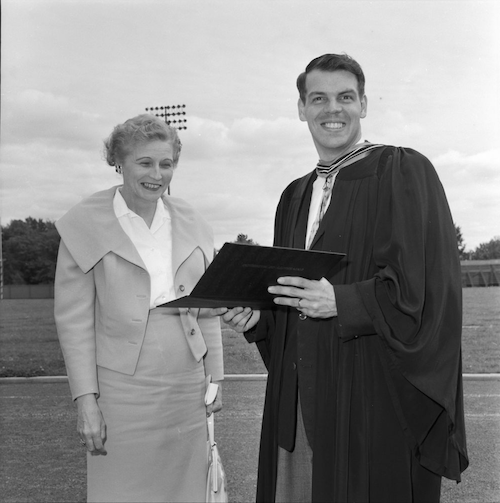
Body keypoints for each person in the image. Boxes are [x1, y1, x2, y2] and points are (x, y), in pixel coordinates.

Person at [222, 54, 468, 502]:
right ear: (302, 108)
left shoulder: (403, 171)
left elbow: (431, 286)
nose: (331, 109)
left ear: (364, 104)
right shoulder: (293, 196)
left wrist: (345, 302)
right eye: (318, 98)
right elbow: (289, 299)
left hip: (372, 391)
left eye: (345, 97)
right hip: (302, 393)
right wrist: (257, 322)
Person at [54, 114, 224, 503]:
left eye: (167, 163)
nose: (157, 174)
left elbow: (207, 305)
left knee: (188, 490)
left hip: (186, 384)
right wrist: (86, 401)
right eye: (144, 163)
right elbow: (73, 322)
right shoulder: (83, 222)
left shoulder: (192, 219)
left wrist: (215, 375)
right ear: (119, 162)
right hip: (120, 391)